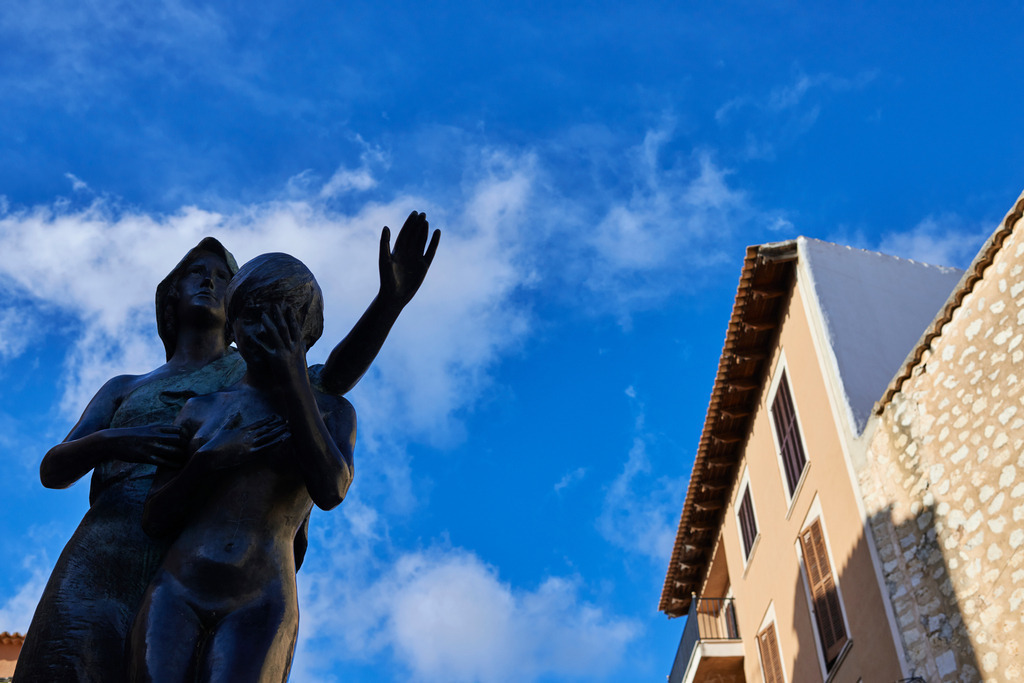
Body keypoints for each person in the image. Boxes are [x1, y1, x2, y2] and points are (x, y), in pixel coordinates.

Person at [14, 213, 439, 682]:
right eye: (198, 273)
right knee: (66, 664)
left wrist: (388, 304)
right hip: (110, 543)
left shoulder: (257, 365)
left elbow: (329, 379)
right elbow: (55, 468)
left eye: (223, 277)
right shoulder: (126, 386)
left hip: (203, 542)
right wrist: (120, 440)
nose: (211, 282)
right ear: (171, 293)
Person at [129, 253, 352, 682]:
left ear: (306, 332)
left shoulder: (330, 412)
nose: (265, 332)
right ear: (231, 327)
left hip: (261, 600)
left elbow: (331, 489)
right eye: (251, 318)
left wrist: (295, 385)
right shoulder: (201, 409)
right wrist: (210, 461)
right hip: (176, 591)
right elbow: (155, 517)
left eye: (282, 322)